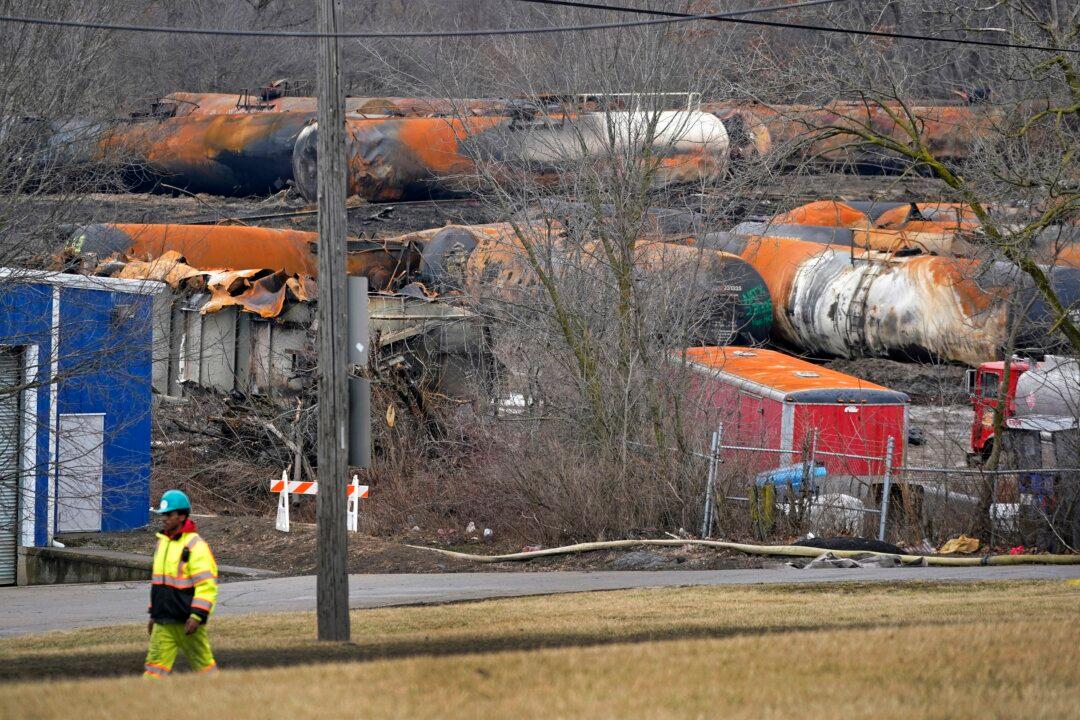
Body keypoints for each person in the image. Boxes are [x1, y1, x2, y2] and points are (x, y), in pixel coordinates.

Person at [143, 489, 219, 678]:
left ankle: (218, 699)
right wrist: (154, 614)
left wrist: (197, 616)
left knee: (205, 670)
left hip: (188, 622)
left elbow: (206, 585)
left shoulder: (195, 545)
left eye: (169, 514)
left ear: (182, 516)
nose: (164, 519)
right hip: (163, 622)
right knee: (153, 671)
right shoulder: (162, 544)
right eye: (163, 514)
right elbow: (158, 584)